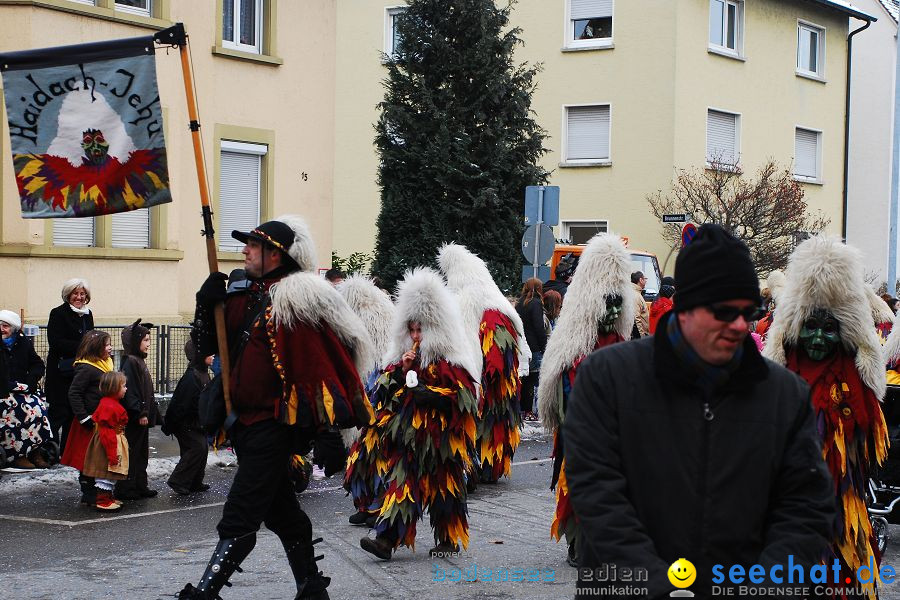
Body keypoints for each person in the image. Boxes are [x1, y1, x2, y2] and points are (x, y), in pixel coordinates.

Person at [565, 224, 835, 598]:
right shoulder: (607, 378)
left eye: (748, 311)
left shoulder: (785, 394)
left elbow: (805, 505)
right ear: (686, 308)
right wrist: (661, 586)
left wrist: (764, 585)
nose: (741, 325)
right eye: (725, 311)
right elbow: (598, 493)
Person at [178, 216, 373, 600]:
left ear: (274, 254)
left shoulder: (296, 299)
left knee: (241, 511)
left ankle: (205, 593)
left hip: (274, 423)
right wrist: (205, 305)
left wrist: (327, 432)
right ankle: (311, 587)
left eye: (253, 244)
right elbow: (203, 350)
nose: (245, 250)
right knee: (281, 511)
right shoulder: (240, 295)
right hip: (242, 424)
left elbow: (313, 367)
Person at [763, 236, 888, 599]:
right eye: (810, 326)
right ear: (794, 328)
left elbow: (865, 450)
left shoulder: (855, 384)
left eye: (829, 328)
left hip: (839, 512)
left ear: (846, 333)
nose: (818, 337)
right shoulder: (775, 381)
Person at [359, 267, 480, 561]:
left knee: (445, 489)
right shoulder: (400, 357)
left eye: (420, 330)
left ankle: (448, 538)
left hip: (442, 439)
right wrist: (400, 372)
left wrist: (431, 394)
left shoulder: (452, 358)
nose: (415, 336)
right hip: (409, 437)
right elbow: (381, 392)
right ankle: (386, 540)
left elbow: (464, 398)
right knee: (403, 484)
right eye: (411, 330)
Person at [536, 232, 636, 568]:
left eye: (616, 302)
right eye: (606, 301)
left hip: (617, 431)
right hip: (582, 430)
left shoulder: (623, 340)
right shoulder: (574, 340)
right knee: (580, 480)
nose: (612, 310)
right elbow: (562, 378)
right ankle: (579, 542)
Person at [438, 243, 527, 484]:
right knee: (493, 421)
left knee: (485, 421)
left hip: (489, 375)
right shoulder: (496, 299)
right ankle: (486, 466)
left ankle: (479, 467)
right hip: (495, 376)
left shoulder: (467, 299)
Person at [338, 275, 397, 526]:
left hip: (378, 394)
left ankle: (377, 506)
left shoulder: (381, 318)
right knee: (359, 454)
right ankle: (363, 503)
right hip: (360, 392)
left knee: (376, 453)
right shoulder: (352, 319)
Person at [60, 330, 115, 507]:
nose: (110, 348)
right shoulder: (86, 367)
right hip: (89, 421)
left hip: (103, 419)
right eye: (107, 345)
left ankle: (100, 491)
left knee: (99, 457)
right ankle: (88, 491)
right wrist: (84, 417)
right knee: (86, 458)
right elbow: (74, 393)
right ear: (96, 347)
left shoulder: (106, 364)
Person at [45, 278, 94, 453]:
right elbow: (56, 342)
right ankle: (50, 450)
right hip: (60, 371)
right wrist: (83, 345)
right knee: (58, 412)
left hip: (79, 371)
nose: (79, 297)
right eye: (75, 293)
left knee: (74, 413)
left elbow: (92, 339)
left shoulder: (88, 314)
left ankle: (67, 450)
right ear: (68, 294)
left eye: (82, 294)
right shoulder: (58, 313)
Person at [0, 309, 51, 469]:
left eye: (5, 326)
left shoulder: (23, 343)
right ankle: (17, 455)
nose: (2, 329)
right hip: (3, 391)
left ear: (13, 328)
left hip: (23, 389)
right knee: (14, 413)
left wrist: (31, 379)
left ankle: (34, 451)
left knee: (38, 410)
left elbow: (37, 364)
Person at [115, 319, 159, 500]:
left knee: (142, 453)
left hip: (142, 416)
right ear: (135, 342)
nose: (149, 344)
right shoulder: (131, 362)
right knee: (132, 453)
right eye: (145, 340)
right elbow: (131, 391)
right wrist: (140, 412)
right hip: (134, 418)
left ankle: (140, 485)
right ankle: (126, 488)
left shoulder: (138, 361)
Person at [163, 340, 212, 495]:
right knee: (198, 447)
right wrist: (171, 425)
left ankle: (194, 482)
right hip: (185, 423)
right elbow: (181, 405)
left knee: (201, 448)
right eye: (209, 352)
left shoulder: (202, 372)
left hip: (196, 422)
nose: (213, 355)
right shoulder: (192, 377)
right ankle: (178, 480)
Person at [82, 371, 129, 512]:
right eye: (123, 386)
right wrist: (112, 453)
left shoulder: (110, 403)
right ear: (114, 388)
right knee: (106, 473)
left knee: (110, 473)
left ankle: (108, 498)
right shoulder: (110, 406)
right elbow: (106, 433)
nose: (126, 389)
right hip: (108, 443)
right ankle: (103, 500)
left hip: (113, 439)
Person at [515, 278, 547, 422]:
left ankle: (521, 409)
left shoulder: (519, 303)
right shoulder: (536, 303)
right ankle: (528, 411)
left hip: (521, 344)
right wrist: (544, 346)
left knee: (523, 378)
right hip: (534, 345)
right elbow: (539, 327)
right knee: (532, 379)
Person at [630, 271, 650, 338]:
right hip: (641, 335)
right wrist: (641, 337)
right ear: (641, 280)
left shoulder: (636, 293)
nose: (646, 281)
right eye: (645, 279)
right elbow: (636, 319)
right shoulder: (636, 295)